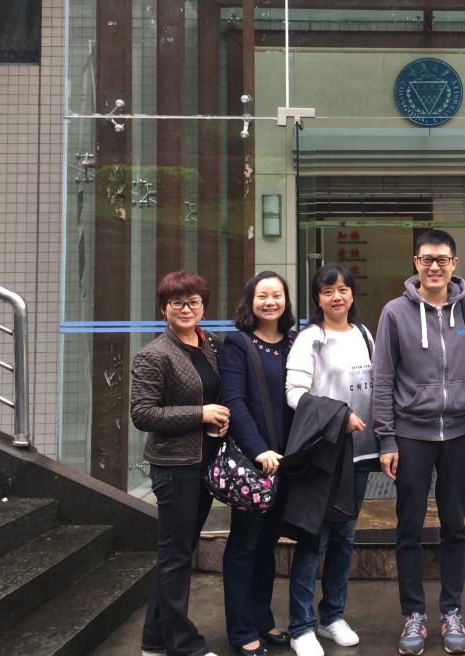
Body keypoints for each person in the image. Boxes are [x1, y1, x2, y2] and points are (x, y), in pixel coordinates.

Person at [372, 229, 465, 656]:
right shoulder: (395, 313)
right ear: (415, 263)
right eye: (426, 259)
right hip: (411, 435)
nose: (434, 267)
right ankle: (413, 614)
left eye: (442, 259)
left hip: (459, 434)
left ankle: (452, 611)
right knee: (409, 527)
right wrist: (386, 438)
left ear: (454, 263)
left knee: (455, 525)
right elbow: (383, 378)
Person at [131, 270, 228, 656]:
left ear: (204, 307)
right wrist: (201, 414)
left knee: (179, 551)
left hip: (204, 462)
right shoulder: (154, 355)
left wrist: (220, 419)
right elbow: (143, 414)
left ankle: (154, 641)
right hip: (174, 468)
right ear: (164, 309)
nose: (186, 309)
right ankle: (183, 644)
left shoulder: (210, 345)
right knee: (175, 555)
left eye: (193, 302)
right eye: (177, 302)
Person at [284, 263, 375, 656]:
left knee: (344, 538)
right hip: (324, 455)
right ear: (317, 299)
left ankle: (332, 616)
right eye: (327, 291)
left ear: (352, 294)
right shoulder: (311, 338)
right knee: (313, 540)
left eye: (343, 289)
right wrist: (339, 416)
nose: (336, 296)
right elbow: (294, 392)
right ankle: (300, 626)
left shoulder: (365, 334)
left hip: (360, 453)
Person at [219, 271, 297, 656]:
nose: (270, 302)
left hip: (288, 461)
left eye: (277, 295)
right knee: (244, 545)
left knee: (267, 544)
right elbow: (233, 400)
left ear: (286, 301)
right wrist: (258, 450)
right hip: (257, 463)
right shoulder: (238, 343)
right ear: (251, 300)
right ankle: (241, 629)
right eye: (262, 295)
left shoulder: (295, 342)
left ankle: (262, 619)